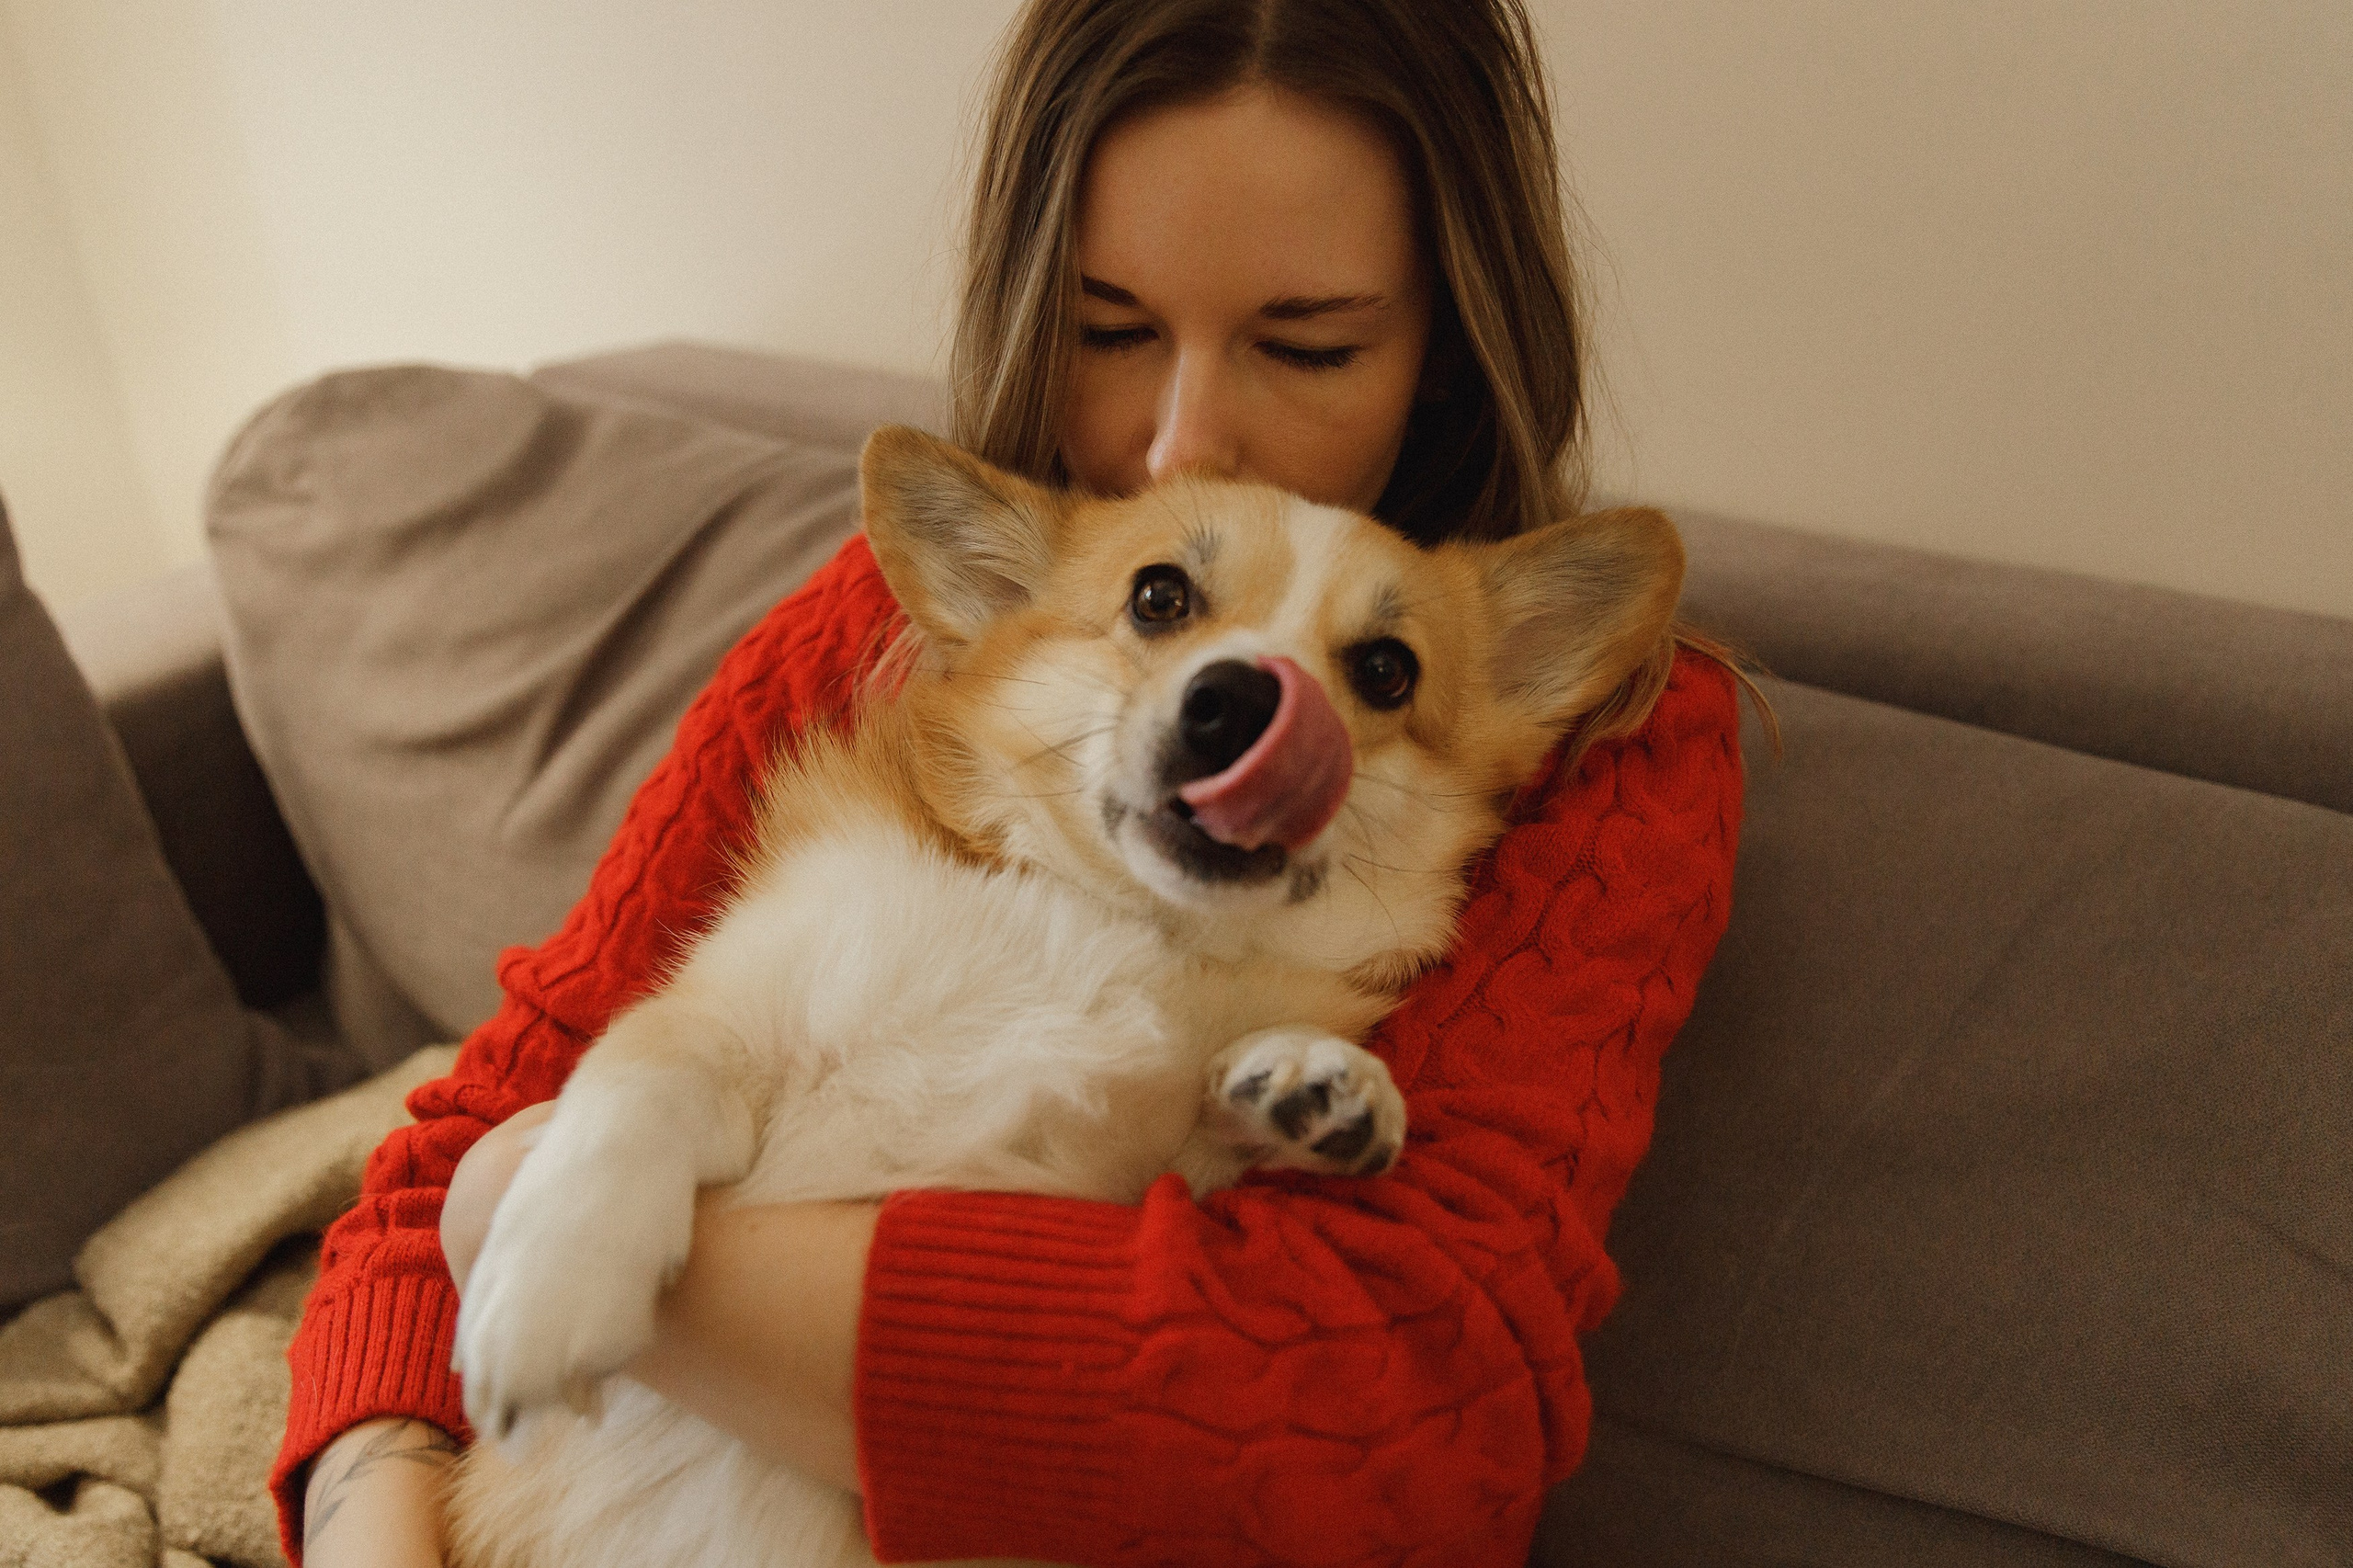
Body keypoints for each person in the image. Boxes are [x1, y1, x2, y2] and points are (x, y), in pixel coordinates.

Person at [275, 1, 1748, 1562]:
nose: (1183, 438)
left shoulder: (1610, 755)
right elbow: (468, 1139)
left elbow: (1379, 1431)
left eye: (1306, 343)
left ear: (1449, 336)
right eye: (1109, 328)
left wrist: (563, 1219)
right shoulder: (892, 635)